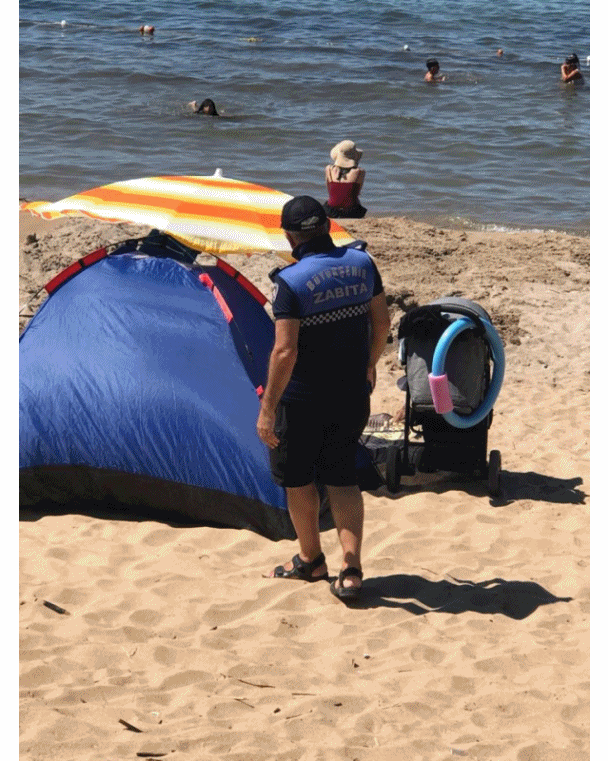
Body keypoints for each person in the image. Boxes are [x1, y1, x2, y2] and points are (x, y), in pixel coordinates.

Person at [256, 196, 391, 602]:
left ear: (289, 237)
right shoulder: (363, 264)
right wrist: (369, 364)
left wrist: (267, 408)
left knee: (298, 480)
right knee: (342, 477)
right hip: (350, 393)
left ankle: (311, 559)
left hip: (302, 400)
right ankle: (351, 569)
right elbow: (382, 323)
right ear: (329, 227)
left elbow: (284, 352)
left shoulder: (290, 282)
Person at [323, 140, 367, 219]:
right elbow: (357, 193)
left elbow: (329, 189)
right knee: (355, 200)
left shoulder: (328, 169)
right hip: (351, 212)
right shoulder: (360, 172)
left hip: (330, 210)